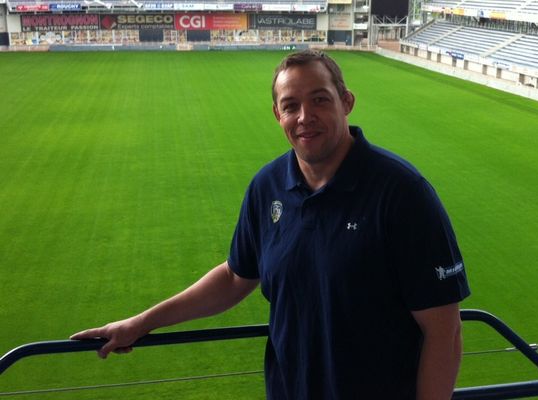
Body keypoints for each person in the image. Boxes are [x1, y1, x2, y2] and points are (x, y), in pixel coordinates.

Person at [71, 50, 470, 399]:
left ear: (346, 102)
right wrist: (141, 323)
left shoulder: (402, 193)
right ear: (277, 114)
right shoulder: (268, 186)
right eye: (291, 105)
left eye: (319, 100)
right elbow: (234, 278)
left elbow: (444, 331)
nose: (305, 117)